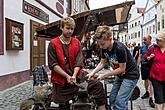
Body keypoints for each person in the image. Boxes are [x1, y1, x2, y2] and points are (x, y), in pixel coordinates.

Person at [47, 17, 106, 110]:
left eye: (72, 29)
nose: (70, 31)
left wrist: (74, 75)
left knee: (97, 85)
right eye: (67, 28)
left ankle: (102, 108)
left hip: (77, 79)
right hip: (61, 82)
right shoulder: (53, 44)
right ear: (62, 27)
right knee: (64, 106)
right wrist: (67, 76)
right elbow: (53, 64)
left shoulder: (76, 42)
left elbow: (78, 61)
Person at [87, 25, 139, 110]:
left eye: (102, 44)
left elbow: (122, 69)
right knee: (112, 100)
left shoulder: (119, 48)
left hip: (130, 76)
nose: (100, 46)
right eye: (99, 44)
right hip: (120, 75)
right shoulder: (104, 47)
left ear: (110, 39)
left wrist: (105, 75)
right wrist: (92, 73)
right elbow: (102, 63)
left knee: (120, 102)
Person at [144, 32, 165, 110]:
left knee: (163, 99)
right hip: (156, 77)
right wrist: (149, 57)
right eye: (156, 40)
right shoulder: (153, 48)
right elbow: (145, 57)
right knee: (159, 98)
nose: (157, 42)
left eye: (159, 40)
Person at [140, 35, 155, 108]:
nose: (144, 41)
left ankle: (151, 98)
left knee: (150, 81)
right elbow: (140, 56)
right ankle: (147, 92)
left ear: (150, 39)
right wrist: (137, 65)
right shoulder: (142, 47)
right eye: (143, 40)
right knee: (145, 80)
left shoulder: (154, 47)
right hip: (143, 65)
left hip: (151, 66)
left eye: (145, 40)